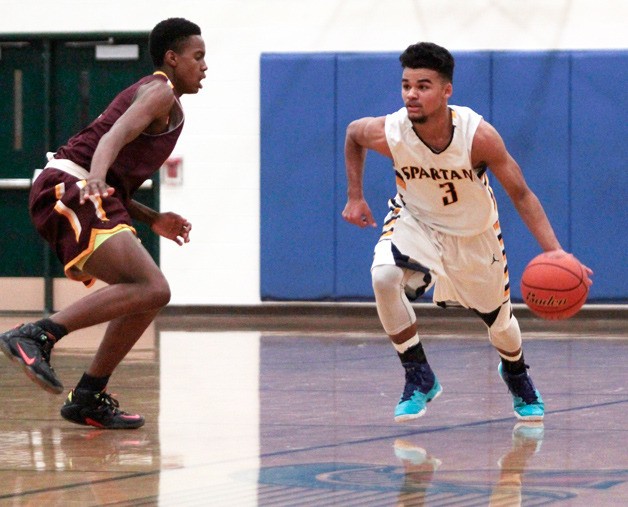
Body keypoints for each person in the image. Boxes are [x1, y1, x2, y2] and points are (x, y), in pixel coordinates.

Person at [342, 42, 593, 423]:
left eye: (423, 85)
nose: (412, 93)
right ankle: (418, 375)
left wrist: (555, 252)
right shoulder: (391, 131)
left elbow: (522, 194)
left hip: (474, 235)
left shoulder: (478, 137)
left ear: (446, 91)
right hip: (415, 221)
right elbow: (352, 135)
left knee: (501, 326)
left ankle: (516, 372)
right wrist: (355, 197)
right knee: (383, 276)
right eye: (406, 84)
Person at [0, 18, 207, 429]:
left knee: (148, 294)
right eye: (198, 57)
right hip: (67, 185)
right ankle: (37, 334)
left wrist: (153, 218)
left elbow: (114, 169)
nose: (204, 66)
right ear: (172, 58)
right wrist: (95, 175)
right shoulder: (159, 90)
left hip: (80, 187)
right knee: (153, 287)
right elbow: (111, 138)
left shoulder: (164, 101)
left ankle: (89, 395)